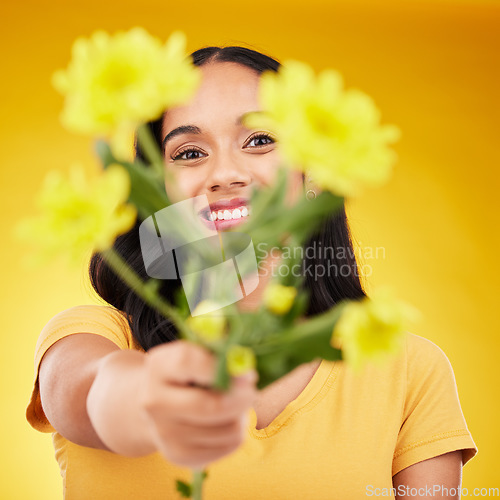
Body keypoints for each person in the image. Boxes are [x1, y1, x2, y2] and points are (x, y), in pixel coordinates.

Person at [26, 46, 477, 499]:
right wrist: (148, 391)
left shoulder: (408, 370)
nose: (224, 173)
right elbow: (87, 394)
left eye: (260, 139)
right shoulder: (95, 336)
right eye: (189, 151)